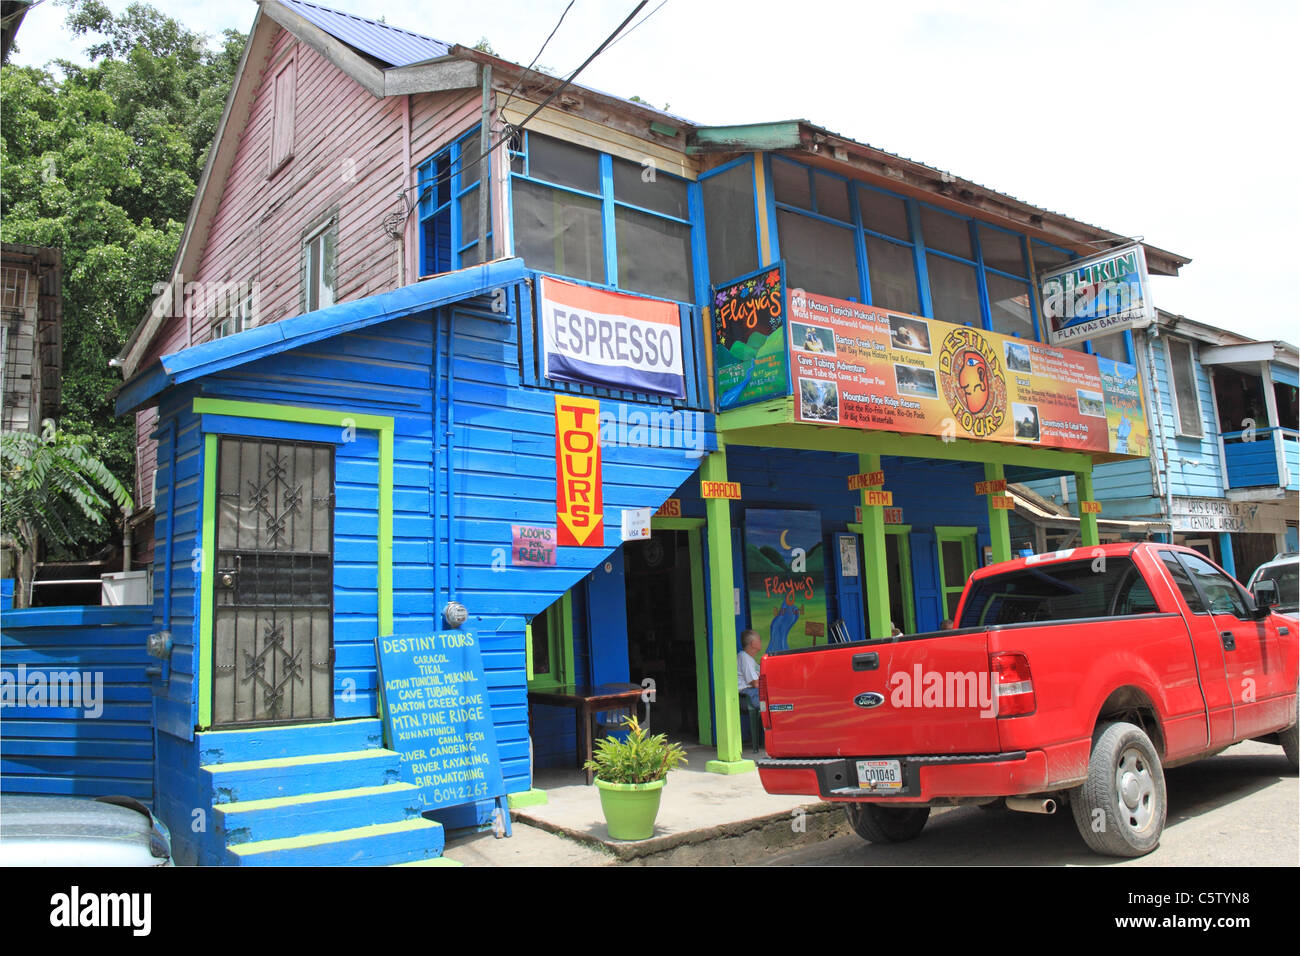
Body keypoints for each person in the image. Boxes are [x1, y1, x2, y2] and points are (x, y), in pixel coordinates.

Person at [737, 629, 764, 748]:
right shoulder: (745, 658)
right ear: (753, 643)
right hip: (747, 695)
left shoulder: (749, 658)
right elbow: (755, 683)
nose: (761, 641)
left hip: (752, 693)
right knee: (776, 704)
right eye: (759, 639)